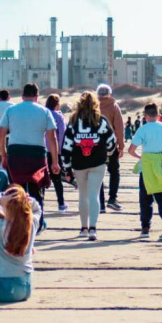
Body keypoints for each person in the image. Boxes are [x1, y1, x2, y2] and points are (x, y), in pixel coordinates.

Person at [0, 84, 60, 231]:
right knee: (36, 190)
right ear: (37, 97)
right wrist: (55, 162)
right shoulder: (44, 111)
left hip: (16, 152)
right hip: (37, 153)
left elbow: (1, 134)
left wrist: (3, 154)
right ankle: (37, 224)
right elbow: (53, 138)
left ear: (22, 96)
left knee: (15, 190)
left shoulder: (11, 110)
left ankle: (14, 223)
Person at [62, 92, 118, 241]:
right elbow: (112, 142)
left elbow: (66, 146)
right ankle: (93, 228)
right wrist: (107, 154)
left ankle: (83, 229)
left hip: (79, 164)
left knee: (83, 195)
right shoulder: (101, 121)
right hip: (98, 163)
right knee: (94, 195)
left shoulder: (73, 121)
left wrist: (66, 168)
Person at [128, 102, 162, 241]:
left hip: (147, 167)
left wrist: (141, 156)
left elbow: (131, 150)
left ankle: (145, 229)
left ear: (145, 116)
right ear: (158, 115)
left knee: (145, 199)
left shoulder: (143, 129)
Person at [96, 84, 124, 212]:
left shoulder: (93, 106)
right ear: (110, 94)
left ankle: (100, 204)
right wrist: (121, 146)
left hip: (95, 145)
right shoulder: (114, 106)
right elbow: (119, 127)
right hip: (111, 145)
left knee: (98, 173)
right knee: (114, 172)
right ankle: (112, 199)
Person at [45, 94, 68, 212]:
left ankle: (40, 204)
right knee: (57, 179)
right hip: (55, 151)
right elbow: (62, 134)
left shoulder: (42, 113)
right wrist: (60, 151)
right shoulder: (59, 116)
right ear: (57, 104)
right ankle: (61, 203)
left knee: (42, 178)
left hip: (42, 150)